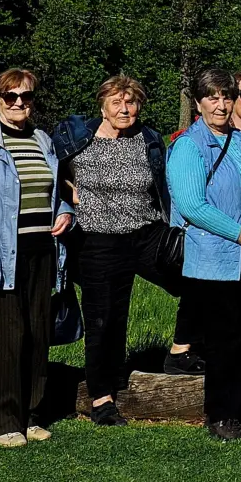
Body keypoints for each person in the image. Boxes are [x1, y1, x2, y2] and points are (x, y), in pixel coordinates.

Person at [166, 67, 241, 441]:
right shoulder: (189, 145)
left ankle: (240, 414)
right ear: (198, 103)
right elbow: (191, 205)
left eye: (226, 96)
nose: (221, 104)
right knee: (221, 340)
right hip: (215, 259)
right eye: (212, 97)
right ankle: (220, 416)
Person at [53, 75, 175, 424]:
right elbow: (51, 167)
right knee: (104, 318)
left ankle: (182, 353)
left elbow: (161, 185)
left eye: (132, 102)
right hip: (98, 240)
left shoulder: (148, 139)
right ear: (102, 106)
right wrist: (67, 192)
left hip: (145, 234)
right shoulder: (78, 139)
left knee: (195, 279)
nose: (125, 109)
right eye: (117, 102)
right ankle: (102, 397)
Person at [0, 69, 74, 446]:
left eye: (26, 97)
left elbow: (55, 189)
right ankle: (4, 421)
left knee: (39, 332)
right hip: (0, 252)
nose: (19, 103)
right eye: (11, 97)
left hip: (44, 248)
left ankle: (33, 413)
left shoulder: (42, 140)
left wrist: (65, 210)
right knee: (9, 335)